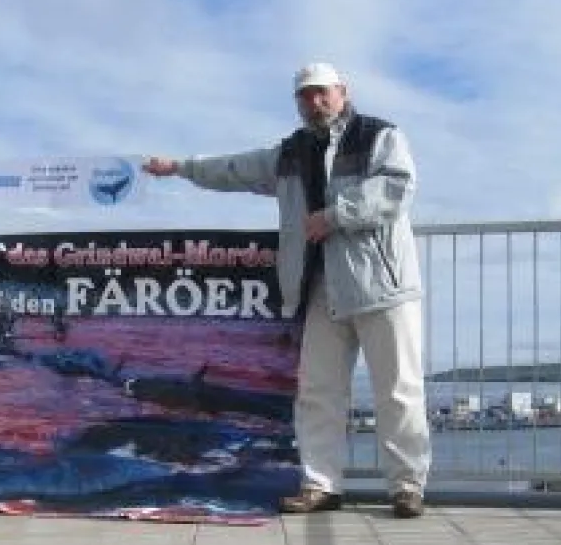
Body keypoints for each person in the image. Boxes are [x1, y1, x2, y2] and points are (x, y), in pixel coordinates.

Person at [142, 62, 431, 518]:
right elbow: (234, 169)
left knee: (398, 389)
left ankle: (406, 486)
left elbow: (397, 187)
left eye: (321, 93)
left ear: (342, 91)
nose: (314, 102)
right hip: (321, 289)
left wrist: (334, 215)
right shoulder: (289, 154)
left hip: (383, 287)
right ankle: (321, 485)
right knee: (317, 390)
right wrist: (179, 167)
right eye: (304, 96)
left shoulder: (379, 136)